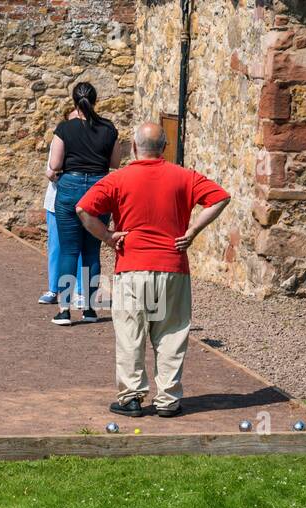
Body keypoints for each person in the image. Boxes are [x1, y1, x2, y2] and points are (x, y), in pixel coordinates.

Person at [77, 121, 230, 419]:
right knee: (171, 333)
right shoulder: (184, 176)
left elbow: (84, 209)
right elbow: (220, 197)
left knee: (130, 333)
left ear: (134, 147)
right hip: (172, 265)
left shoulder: (118, 179)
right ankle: (168, 400)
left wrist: (108, 237)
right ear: (164, 148)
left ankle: (131, 397)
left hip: (132, 266)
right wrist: (194, 229)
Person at [47, 81, 120, 325]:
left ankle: (65, 310)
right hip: (99, 189)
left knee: (69, 249)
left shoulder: (65, 128)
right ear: (95, 100)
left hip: (70, 188)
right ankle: (89, 309)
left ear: (73, 101)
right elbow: (115, 162)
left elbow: (55, 164)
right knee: (92, 251)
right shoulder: (108, 128)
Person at [39, 174, 85, 305]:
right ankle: (54, 289)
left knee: (81, 247)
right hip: (56, 199)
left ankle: (80, 292)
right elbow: (51, 172)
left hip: (81, 200)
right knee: (55, 246)